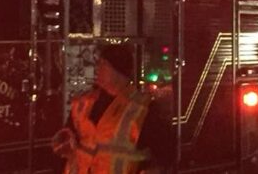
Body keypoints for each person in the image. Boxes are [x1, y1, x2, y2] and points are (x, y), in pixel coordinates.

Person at [52, 44, 171, 174]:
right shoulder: (84, 103)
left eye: (103, 64)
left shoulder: (143, 109)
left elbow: (165, 151)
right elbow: (68, 138)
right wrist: (63, 141)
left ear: (118, 71)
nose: (97, 68)